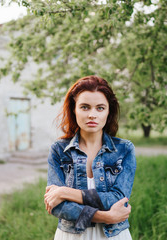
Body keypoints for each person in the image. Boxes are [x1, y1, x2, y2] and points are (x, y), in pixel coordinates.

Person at [44, 75, 137, 239]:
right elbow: (57, 206)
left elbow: (117, 199)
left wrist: (65, 192)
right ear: (74, 109)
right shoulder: (59, 150)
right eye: (85, 107)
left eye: (100, 108)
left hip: (114, 235)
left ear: (109, 111)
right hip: (71, 236)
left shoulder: (124, 149)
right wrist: (106, 217)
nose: (92, 115)